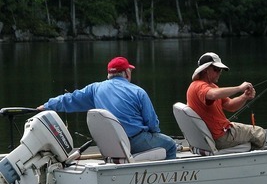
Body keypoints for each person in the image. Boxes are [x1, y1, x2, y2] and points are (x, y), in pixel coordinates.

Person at [37, 56, 177, 159]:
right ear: (127, 73)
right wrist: (156, 136)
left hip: (109, 144)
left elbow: (70, 99)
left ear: (108, 74)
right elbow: (152, 124)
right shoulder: (138, 92)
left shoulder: (95, 89)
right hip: (134, 142)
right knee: (170, 145)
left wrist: (47, 105)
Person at [186, 52, 266, 150]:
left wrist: (244, 96)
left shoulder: (211, 86)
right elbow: (213, 94)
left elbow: (230, 105)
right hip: (220, 137)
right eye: (216, 69)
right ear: (206, 70)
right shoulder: (199, 86)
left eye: (220, 70)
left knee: (251, 132)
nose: (219, 73)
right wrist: (239, 88)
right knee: (259, 133)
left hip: (219, 133)